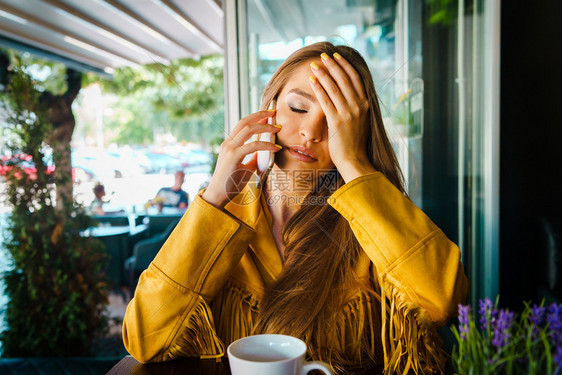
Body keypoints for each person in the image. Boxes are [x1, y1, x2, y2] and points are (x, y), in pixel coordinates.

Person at [123, 42, 468, 374]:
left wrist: (353, 160)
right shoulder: (222, 214)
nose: (309, 132)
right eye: (299, 108)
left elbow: (441, 301)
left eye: (335, 122)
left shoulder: (373, 219)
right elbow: (144, 340)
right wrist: (215, 195)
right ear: (270, 103)